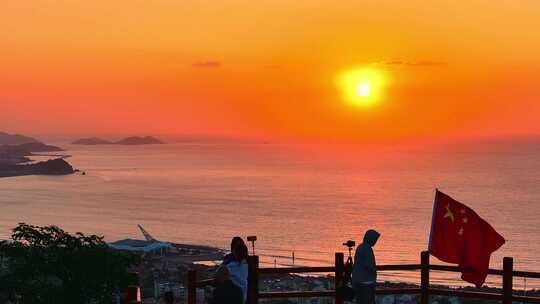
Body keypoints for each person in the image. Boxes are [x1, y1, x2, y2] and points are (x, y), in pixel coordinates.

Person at [352, 229, 380, 304]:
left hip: (358, 280)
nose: (375, 242)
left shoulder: (360, 247)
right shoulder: (367, 248)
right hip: (366, 282)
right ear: (370, 239)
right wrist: (374, 271)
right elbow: (368, 265)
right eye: (375, 239)